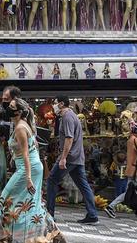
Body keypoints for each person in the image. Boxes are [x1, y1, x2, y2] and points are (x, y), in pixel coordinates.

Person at [0, 98, 65, 242]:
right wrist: (14, 157)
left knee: (6, 197)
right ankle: (49, 235)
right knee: (30, 202)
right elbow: (30, 147)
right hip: (31, 167)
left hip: (28, 169)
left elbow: (27, 155)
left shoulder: (21, 128)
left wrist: (28, 179)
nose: (7, 108)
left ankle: (1, 236)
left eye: (11, 106)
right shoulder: (22, 125)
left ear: (19, 112)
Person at [46, 95, 99, 224]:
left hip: (70, 157)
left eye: (55, 102)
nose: (54, 105)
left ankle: (49, 214)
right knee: (83, 185)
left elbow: (69, 138)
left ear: (61, 104)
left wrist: (63, 158)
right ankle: (92, 215)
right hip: (77, 156)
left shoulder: (67, 117)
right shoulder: (72, 115)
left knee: (52, 180)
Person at [104, 121, 137, 218]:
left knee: (131, 191)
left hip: (132, 169)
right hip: (136, 170)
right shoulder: (136, 140)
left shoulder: (130, 139)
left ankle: (111, 206)